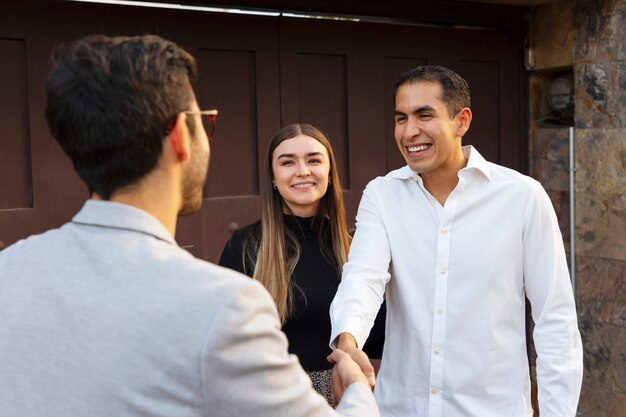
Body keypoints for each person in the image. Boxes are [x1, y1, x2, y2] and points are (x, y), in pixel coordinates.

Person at [0, 34, 379, 417]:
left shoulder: (9, 271)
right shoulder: (224, 303)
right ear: (182, 136)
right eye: (206, 122)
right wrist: (357, 390)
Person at [329, 65, 583, 417]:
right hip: (401, 408)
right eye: (400, 118)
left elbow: (555, 319)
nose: (409, 131)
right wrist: (348, 342)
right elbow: (363, 278)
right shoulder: (382, 195)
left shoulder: (523, 197)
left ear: (461, 121)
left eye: (424, 115)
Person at [218, 123, 385, 405]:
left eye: (314, 160)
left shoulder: (358, 250)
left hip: (342, 397)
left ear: (330, 173)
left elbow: (380, 335)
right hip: (272, 399)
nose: (303, 171)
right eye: (287, 162)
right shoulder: (245, 247)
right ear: (272, 177)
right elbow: (225, 340)